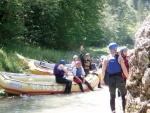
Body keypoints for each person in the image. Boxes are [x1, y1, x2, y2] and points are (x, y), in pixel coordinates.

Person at [101, 43, 128, 113]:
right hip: (119, 78)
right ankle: (124, 110)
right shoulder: (119, 57)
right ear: (114, 49)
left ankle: (113, 111)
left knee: (112, 96)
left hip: (110, 79)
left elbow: (103, 71)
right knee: (123, 95)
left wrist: (102, 80)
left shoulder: (105, 58)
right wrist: (128, 77)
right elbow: (124, 68)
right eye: (116, 48)